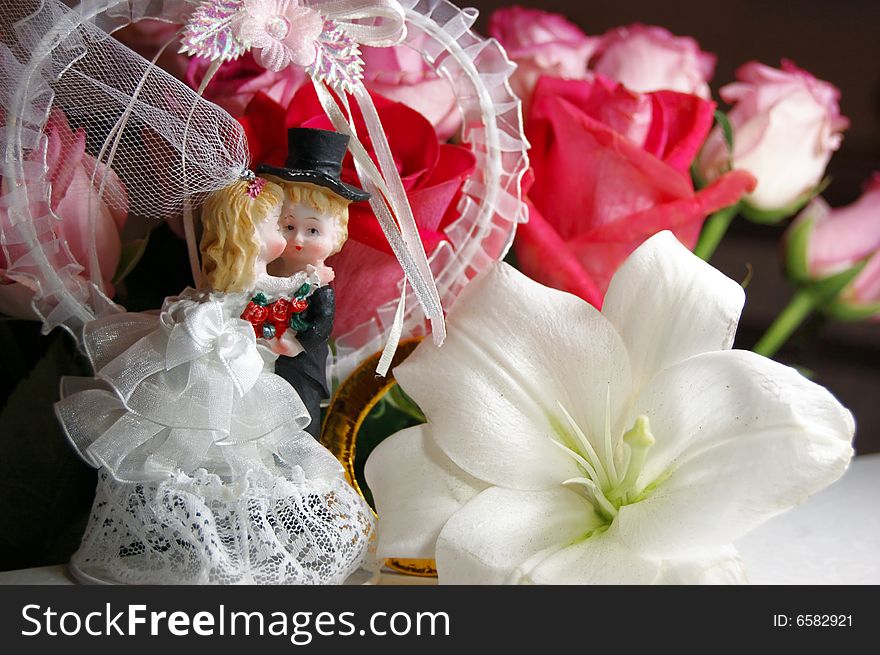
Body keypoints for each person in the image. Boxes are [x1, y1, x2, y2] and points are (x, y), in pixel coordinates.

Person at [54, 174, 374, 585]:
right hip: (223, 372)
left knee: (215, 448)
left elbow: (267, 301)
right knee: (232, 444)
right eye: (279, 226)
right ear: (251, 235)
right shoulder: (248, 277)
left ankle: (214, 539)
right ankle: (214, 545)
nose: (286, 235)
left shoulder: (235, 273)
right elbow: (276, 290)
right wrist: (309, 278)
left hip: (229, 358)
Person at [258, 127, 371, 438]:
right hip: (259, 356)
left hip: (300, 361)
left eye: (312, 231)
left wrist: (293, 344)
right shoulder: (268, 271)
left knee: (299, 412)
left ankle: (301, 458)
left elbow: (320, 324)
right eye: (288, 226)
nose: (297, 239)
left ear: (336, 236)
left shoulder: (320, 284)